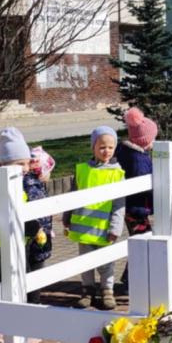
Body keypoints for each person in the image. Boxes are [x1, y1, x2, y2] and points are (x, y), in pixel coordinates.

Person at [0, 128, 53, 340]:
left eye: (26, 163)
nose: (25, 169)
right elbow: (14, 214)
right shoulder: (5, 186)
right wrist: (35, 229)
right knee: (13, 287)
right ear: (4, 165)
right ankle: (14, 329)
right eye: (19, 164)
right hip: (9, 244)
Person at [64, 126, 125, 310]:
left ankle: (107, 291)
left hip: (105, 229)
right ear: (93, 148)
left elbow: (119, 204)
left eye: (110, 147)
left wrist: (115, 227)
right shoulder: (83, 170)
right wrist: (67, 218)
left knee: (107, 263)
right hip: (83, 228)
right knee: (86, 262)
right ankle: (87, 290)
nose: (106, 151)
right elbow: (72, 196)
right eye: (102, 147)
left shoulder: (117, 174)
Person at [114, 107, 158, 297]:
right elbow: (144, 183)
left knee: (142, 239)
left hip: (132, 207)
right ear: (144, 141)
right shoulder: (138, 160)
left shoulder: (124, 152)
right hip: (136, 208)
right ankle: (130, 280)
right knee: (142, 241)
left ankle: (131, 278)